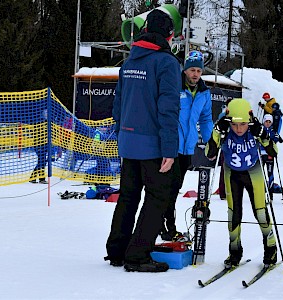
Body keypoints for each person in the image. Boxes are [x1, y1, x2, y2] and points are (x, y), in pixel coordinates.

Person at [105, 9, 181, 273]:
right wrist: (170, 149)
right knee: (158, 197)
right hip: (153, 145)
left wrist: (123, 133)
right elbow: (168, 109)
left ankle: (117, 250)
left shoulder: (129, 62)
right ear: (169, 36)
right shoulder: (167, 63)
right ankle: (137, 255)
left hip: (128, 141)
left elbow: (117, 104)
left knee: (128, 196)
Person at [205, 98, 277, 267]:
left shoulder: (254, 126)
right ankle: (235, 250)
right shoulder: (223, 127)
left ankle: (271, 248)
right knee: (233, 213)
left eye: (243, 124)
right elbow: (210, 153)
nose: (238, 129)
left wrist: (263, 134)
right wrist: (216, 132)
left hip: (253, 172)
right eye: (235, 125)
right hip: (232, 174)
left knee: (260, 211)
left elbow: (273, 151)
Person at [160, 50, 213, 241]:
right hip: (170, 148)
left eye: (199, 70)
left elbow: (206, 118)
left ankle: (165, 225)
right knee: (168, 189)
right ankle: (167, 226)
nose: (195, 74)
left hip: (186, 150)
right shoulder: (175, 87)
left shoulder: (204, 93)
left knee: (175, 188)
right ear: (185, 70)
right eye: (192, 69)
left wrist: (210, 141)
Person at [260, 114, 282, 201]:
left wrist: (276, 138)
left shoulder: (273, 131)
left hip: (270, 154)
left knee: (270, 173)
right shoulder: (260, 130)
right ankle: (261, 193)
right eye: (266, 121)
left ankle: (270, 194)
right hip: (261, 154)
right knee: (260, 174)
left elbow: (277, 139)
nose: (268, 123)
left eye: (269, 122)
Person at [29, 109, 48, 184]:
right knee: (41, 161)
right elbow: (36, 133)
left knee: (42, 161)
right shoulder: (39, 122)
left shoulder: (47, 123)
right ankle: (39, 178)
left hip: (44, 144)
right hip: (38, 144)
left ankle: (35, 178)